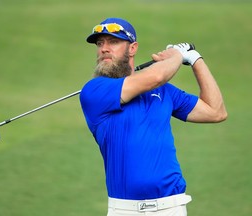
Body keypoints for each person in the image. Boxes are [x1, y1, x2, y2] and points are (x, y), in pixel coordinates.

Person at [79, 17, 227, 216]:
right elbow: (156, 77)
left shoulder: (164, 91)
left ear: (132, 48)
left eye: (113, 41)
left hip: (172, 207)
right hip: (124, 210)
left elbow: (216, 111)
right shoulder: (94, 91)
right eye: (100, 43)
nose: (104, 48)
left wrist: (194, 59)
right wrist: (176, 54)